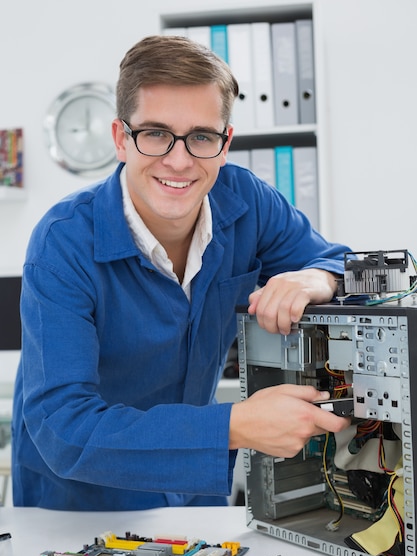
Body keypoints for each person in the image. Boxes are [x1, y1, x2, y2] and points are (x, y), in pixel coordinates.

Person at [12, 35, 352, 511]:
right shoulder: (63, 241)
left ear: (225, 142)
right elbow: (62, 428)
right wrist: (235, 426)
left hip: (194, 498)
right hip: (77, 507)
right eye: (154, 133)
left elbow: (342, 262)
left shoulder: (247, 201)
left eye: (201, 136)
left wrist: (320, 278)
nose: (179, 159)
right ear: (120, 139)